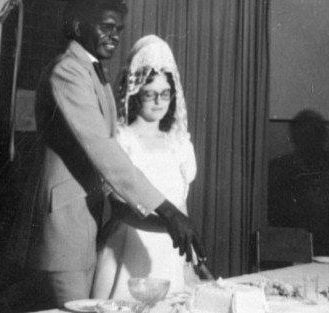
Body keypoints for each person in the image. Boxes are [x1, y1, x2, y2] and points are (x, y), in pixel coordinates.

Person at [22, 1, 205, 307]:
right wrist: (168, 211)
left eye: (118, 29)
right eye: (105, 26)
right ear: (79, 26)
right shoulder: (67, 71)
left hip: (84, 228)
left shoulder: (93, 73)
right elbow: (104, 151)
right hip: (63, 230)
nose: (114, 35)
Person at [92, 35, 199, 298]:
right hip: (127, 249)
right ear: (135, 92)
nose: (159, 102)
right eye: (150, 94)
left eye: (165, 94)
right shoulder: (121, 140)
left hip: (170, 254)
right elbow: (119, 209)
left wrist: (188, 255)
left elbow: (180, 205)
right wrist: (169, 227)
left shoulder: (179, 144)